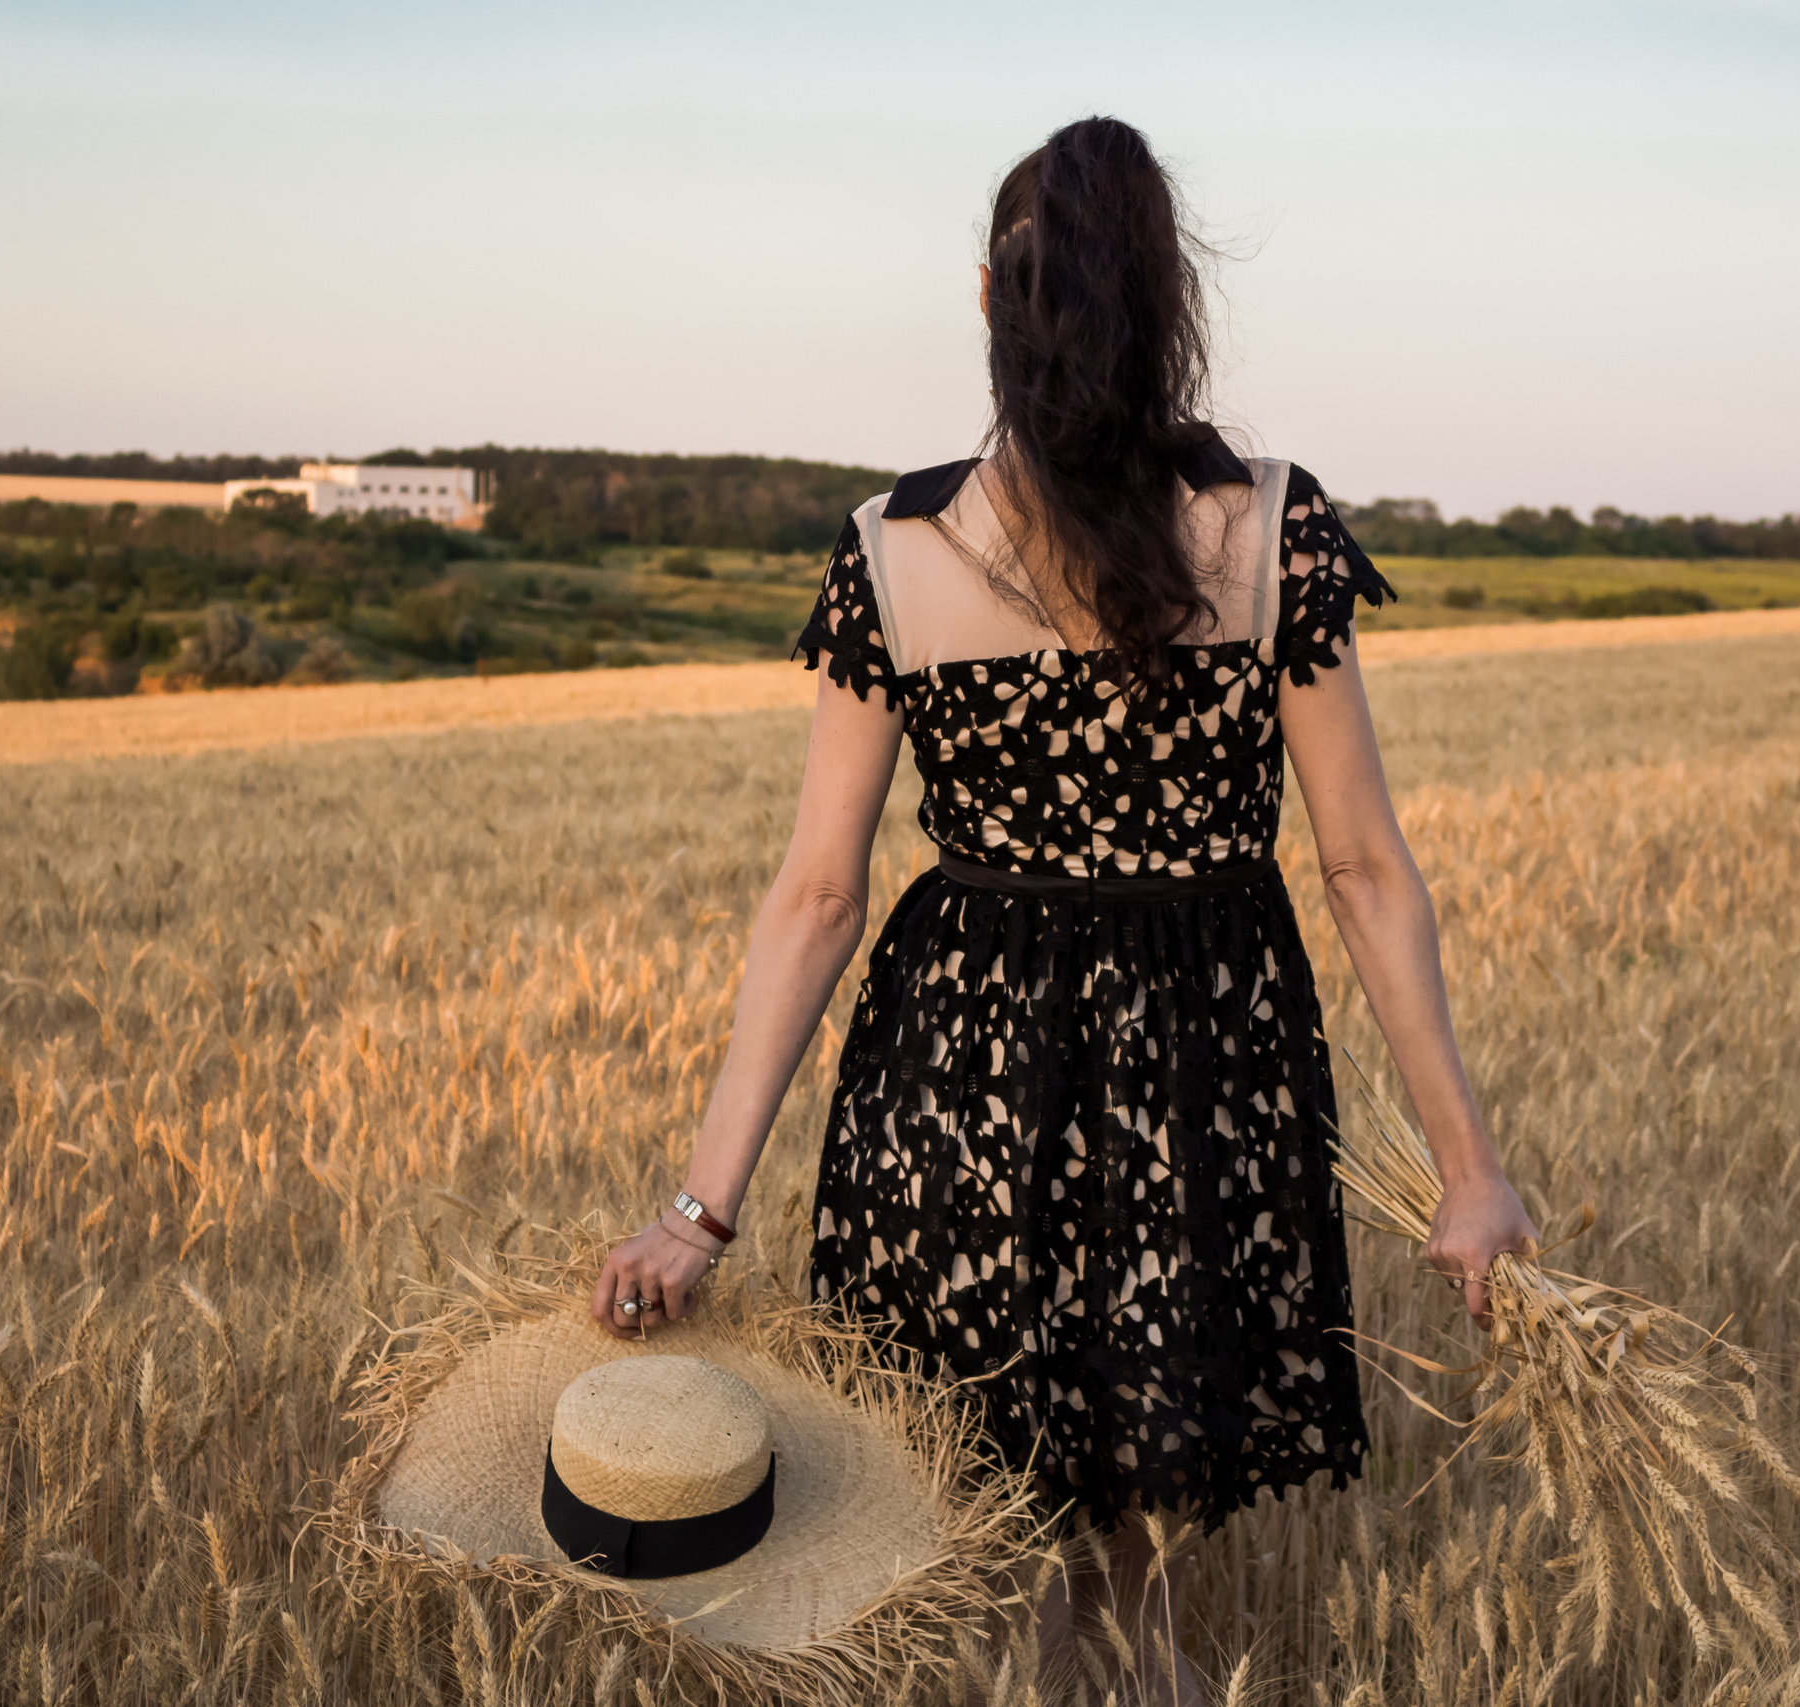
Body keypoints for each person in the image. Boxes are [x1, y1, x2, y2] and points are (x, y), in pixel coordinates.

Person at [592, 115, 1538, 1701]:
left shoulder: (898, 549)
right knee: (1140, 1585)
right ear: (1171, 301)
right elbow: (1365, 870)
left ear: (985, 298)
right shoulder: (1266, 525)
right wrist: (1468, 1173)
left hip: (956, 1080)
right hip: (1197, 1080)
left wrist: (700, 1212)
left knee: (958, 1544)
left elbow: (820, 894)